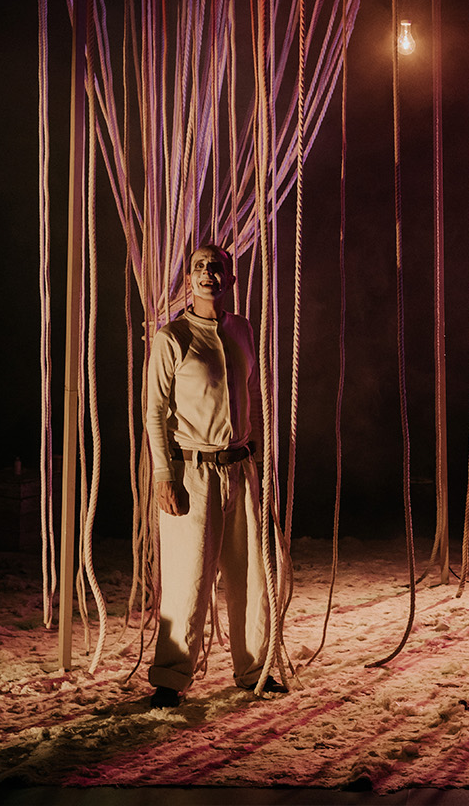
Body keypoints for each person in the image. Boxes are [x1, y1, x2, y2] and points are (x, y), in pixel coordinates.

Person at [144, 243, 285, 708]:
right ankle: (170, 677)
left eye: (216, 266)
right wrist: (164, 474)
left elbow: (253, 393)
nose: (208, 273)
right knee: (189, 577)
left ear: (230, 278)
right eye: (200, 267)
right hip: (193, 473)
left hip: (239, 467)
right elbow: (154, 412)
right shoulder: (172, 338)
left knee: (252, 576)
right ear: (188, 280)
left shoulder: (242, 330)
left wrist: (258, 457)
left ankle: (254, 671)